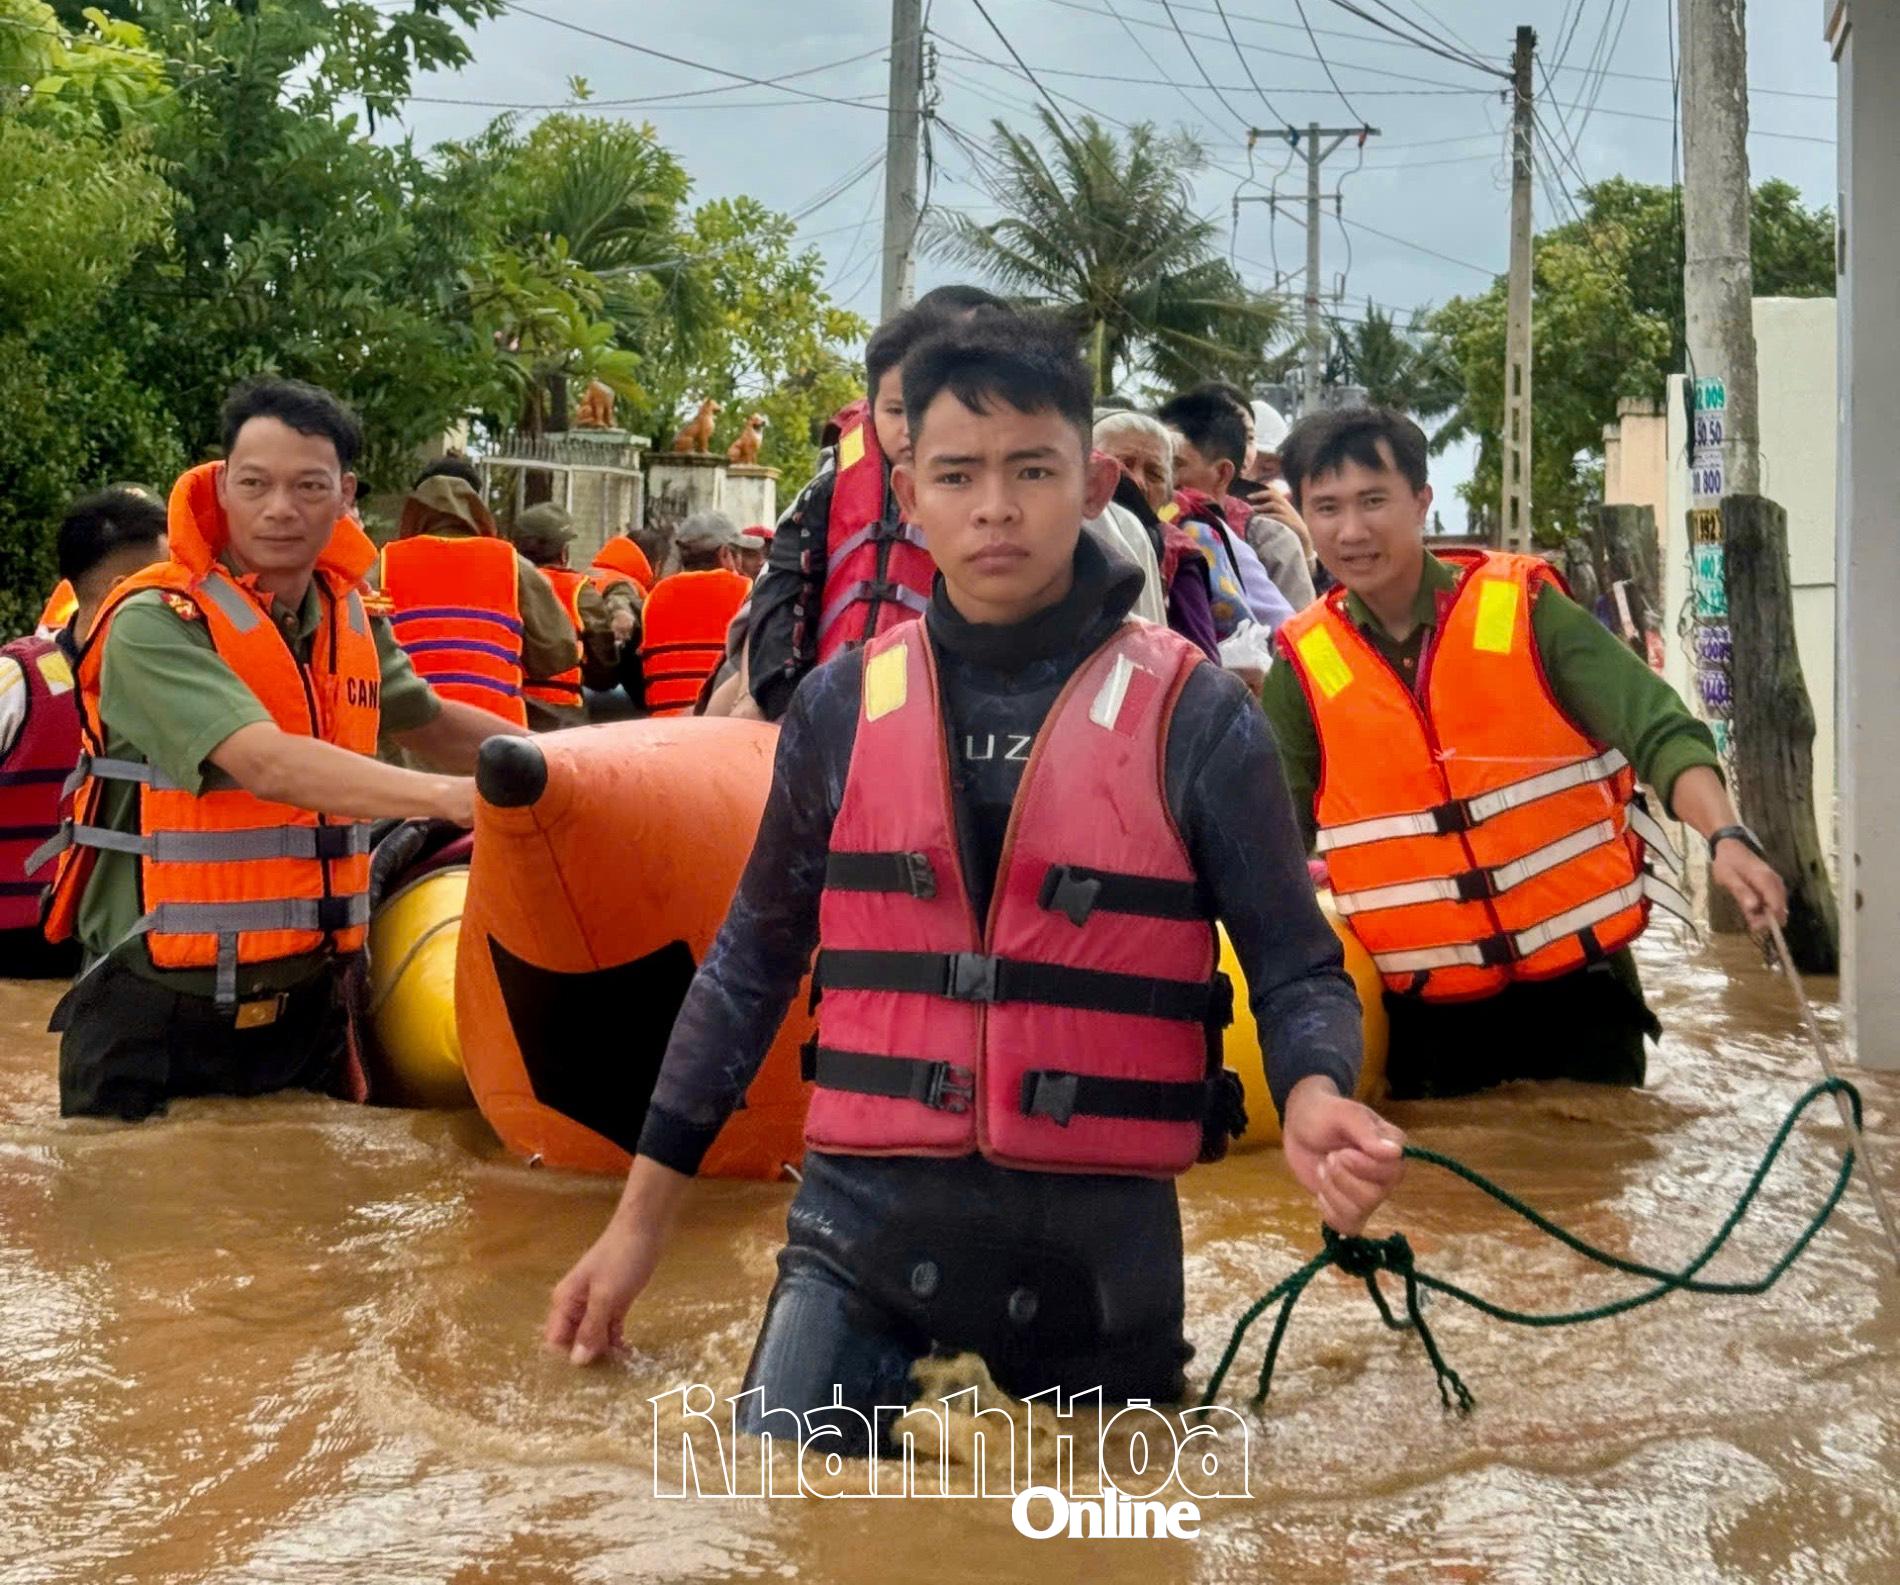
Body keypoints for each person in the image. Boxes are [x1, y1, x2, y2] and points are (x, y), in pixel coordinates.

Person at [545, 313, 1404, 1446]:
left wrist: (1315, 1093)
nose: (995, 506)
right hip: (855, 1245)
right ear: (909, 495)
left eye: (1031, 470)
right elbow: (746, 968)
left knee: (1108, 1532)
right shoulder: (839, 708)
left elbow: (1297, 969)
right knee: (780, 1512)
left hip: (1098, 1268)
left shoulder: (1197, 717)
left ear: (1095, 484)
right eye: (957, 475)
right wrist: (637, 1225)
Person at [1262, 405, 1789, 1100]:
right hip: (1427, 1022)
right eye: (1326, 507)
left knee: (1601, 1162)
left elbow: (1659, 729)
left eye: (1373, 500)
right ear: (1304, 516)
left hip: (1582, 999)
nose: (1351, 530)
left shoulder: (1524, 609)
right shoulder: (1303, 667)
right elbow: (1269, 840)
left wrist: (1725, 835)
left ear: (1421, 501)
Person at [40, 378, 522, 1123]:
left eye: (308, 486)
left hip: (305, 1005)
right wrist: (450, 798)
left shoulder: (347, 615)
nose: (280, 508)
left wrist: (574, 761)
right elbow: (265, 762)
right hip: (156, 1014)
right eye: (255, 484)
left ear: (345, 495)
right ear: (221, 487)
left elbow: (430, 723)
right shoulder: (154, 621)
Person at [0, 489, 169, 977]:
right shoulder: (16, 682)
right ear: (124, 590)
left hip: (130, 959)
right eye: (170, 581)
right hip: (19, 963)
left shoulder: (186, 688)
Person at [379, 472, 579, 728]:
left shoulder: (382, 563)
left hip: (413, 729)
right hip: (497, 729)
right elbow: (558, 653)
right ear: (479, 514)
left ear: (412, 516)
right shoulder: (512, 563)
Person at [1159, 388, 1316, 611]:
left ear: (1222, 473)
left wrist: (1308, 550)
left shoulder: (1267, 538)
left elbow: (1300, 628)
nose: (1161, 478)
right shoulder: (1138, 525)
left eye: (1175, 465)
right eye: (1156, 465)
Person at [1089, 411, 1219, 657]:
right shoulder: (1055, 532)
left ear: (1169, 495)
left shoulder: (1180, 552)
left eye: (1154, 474)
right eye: (1123, 464)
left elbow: (1201, 658)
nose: (1137, 481)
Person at [511, 503, 620, 731]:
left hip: (510, 707)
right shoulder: (579, 589)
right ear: (563, 552)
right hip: (561, 714)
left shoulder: (505, 581)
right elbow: (603, 665)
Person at [637, 513, 756, 716]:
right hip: (719, 724)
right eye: (738, 553)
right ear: (725, 554)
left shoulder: (654, 596)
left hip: (662, 727)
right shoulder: (746, 591)